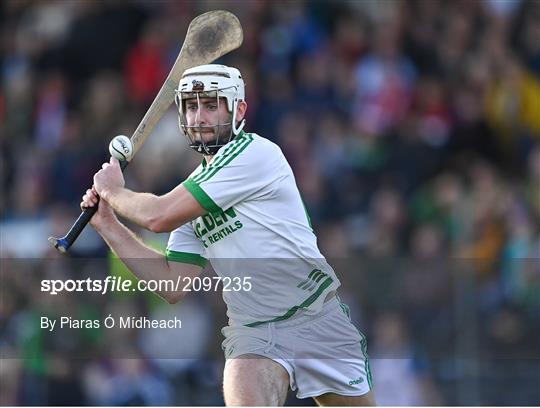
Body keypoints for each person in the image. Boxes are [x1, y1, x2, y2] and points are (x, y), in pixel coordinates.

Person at [81, 64, 375, 406]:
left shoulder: (254, 155)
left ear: (239, 109)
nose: (199, 117)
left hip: (317, 316)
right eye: (191, 106)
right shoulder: (192, 193)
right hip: (254, 332)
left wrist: (113, 191)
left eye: (210, 105)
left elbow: (157, 216)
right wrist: (108, 225)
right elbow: (172, 284)